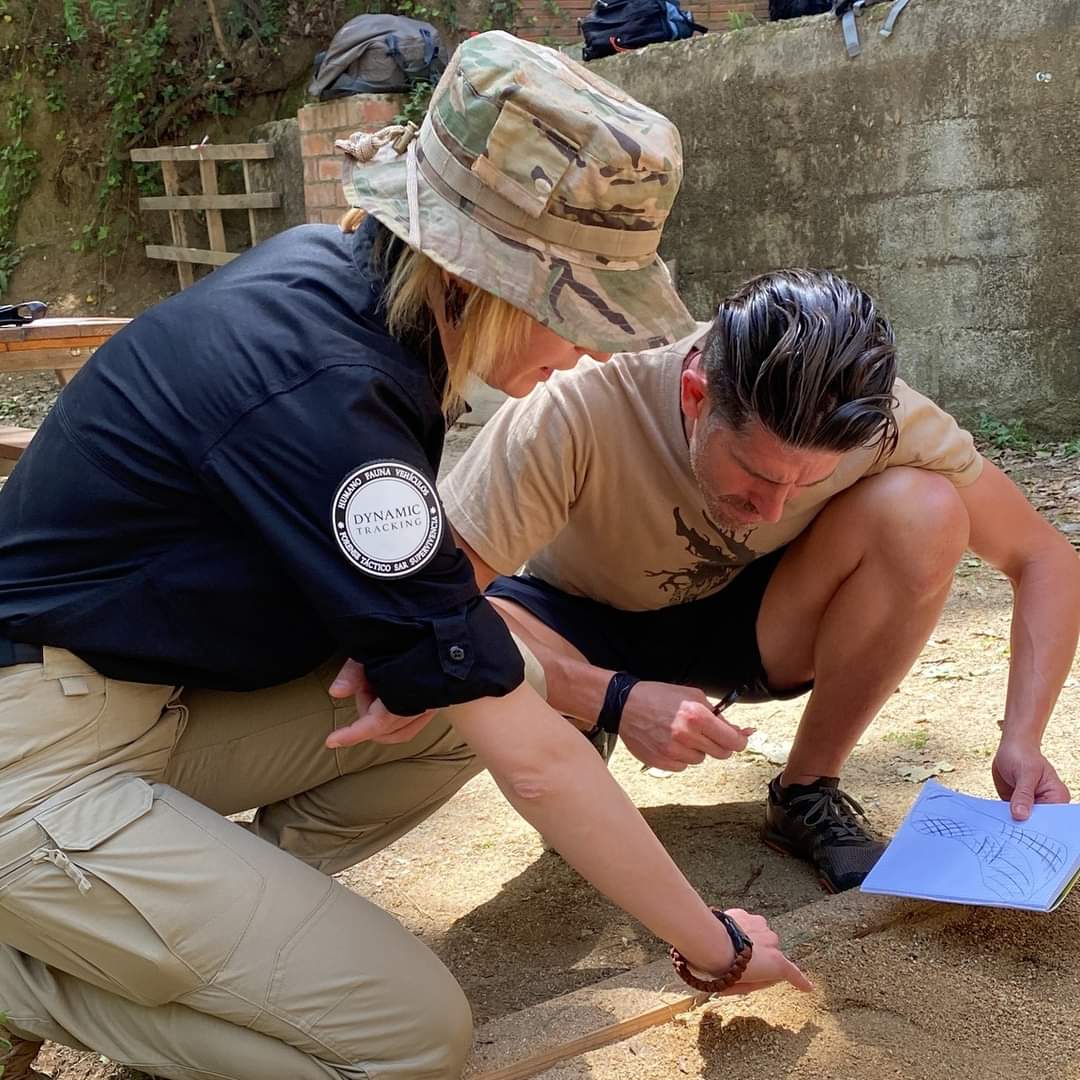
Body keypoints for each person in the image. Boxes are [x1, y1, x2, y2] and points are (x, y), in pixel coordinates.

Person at [0, 32, 809, 1080]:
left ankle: (187, 934)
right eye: (574, 314)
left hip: (141, 698)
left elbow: (478, 667)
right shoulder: (327, 394)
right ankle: (41, 963)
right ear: (490, 281)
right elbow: (535, 754)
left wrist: (462, 669)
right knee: (407, 1041)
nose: (580, 350)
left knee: (457, 707)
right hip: (37, 754)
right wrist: (715, 946)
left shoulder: (348, 301)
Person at [427, 267, 1079, 895]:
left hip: (750, 620)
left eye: (808, 482)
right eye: (758, 474)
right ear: (695, 394)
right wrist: (612, 698)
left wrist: (1021, 738)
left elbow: (1044, 556)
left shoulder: (890, 422)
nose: (773, 509)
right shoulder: (577, 402)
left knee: (926, 510)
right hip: (571, 619)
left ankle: (806, 791)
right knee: (500, 682)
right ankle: (579, 721)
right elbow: (432, 606)